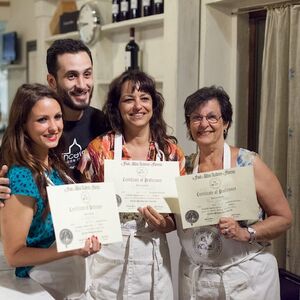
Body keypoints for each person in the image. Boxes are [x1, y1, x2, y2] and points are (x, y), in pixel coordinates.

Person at [176, 86, 292, 299]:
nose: (204, 124)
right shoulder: (183, 168)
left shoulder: (248, 163)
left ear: (226, 122)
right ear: (189, 124)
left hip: (248, 279)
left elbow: (284, 218)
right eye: (196, 118)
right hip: (198, 281)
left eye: (212, 117)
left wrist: (246, 233)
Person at [78, 70, 186, 299]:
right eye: (128, 99)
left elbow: (181, 214)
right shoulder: (98, 149)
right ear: (117, 107)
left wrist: (166, 224)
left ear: (154, 105)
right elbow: (83, 204)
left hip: (154, 255)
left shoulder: (170, 153)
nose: (138, 106)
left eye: (144, 98)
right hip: (108, 258)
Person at [0, 83, 100, 298]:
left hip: (68, 281)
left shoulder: (54, 164)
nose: (54, 126)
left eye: (57, 117)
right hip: (39, 286)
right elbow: (15, 254)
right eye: (42, 120)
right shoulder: (21, 176)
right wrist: (71, 249)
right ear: (23, 125)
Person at [0, 38, 109, 200]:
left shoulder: (102, 122)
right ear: (52, 81)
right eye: (71, 76)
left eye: (87, 74)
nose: (82, 84)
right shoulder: (31, 130)